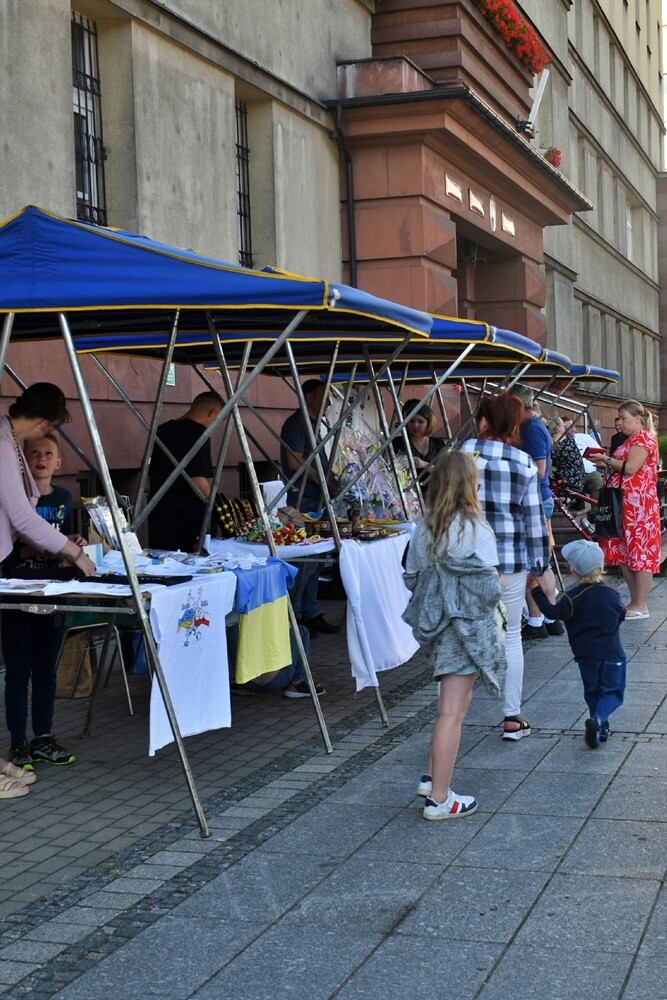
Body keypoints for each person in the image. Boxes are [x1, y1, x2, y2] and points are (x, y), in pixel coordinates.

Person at [402, 451, 506, 818]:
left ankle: (432, 778)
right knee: (451, 712)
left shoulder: (423, 528)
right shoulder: (476, 528)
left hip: (437, 627)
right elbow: (490, 585)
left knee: (454, 705)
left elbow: (411, 578)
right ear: (468, 484)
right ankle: (440, 800)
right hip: (467, 630)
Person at [0, 384, 96, 769]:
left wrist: (61, 543)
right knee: (19, 664)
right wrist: (73, 552)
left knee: (43, 664)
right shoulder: (5, 442)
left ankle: (41, 737)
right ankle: (19, 742)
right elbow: (22, 517)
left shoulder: (10, 442)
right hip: (11, 571)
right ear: (44, 422)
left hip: (22, 569)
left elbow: (22, 516)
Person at [459, 392, 550, 740]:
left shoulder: (459, 456)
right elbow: (533, 519)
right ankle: (512, 717)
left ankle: (450, 716)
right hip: (509, 561)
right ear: (513, 425)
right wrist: (540, 568)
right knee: (510, 635)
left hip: (463, 561)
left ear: (482, 421)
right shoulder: (523, 463)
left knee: (460, 633)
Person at [529, 539, 626, 747]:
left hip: (585, 656)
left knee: (593, 692)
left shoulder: (572, 597)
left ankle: (599, 727)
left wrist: (537, 591)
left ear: (573, 570)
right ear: (602, 566)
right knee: (613, 692)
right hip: (611, 653)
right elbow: (621, 614)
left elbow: (554, 613)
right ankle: (599, 720)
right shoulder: (612, 594)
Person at [589, 400, 661, 619]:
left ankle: (642, 604)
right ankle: (635, 602)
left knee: (639, 550)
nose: (619, 423)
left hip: (638, 504)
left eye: (623, 418)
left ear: (638, 418)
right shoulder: (632, 438)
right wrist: (607, 463)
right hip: (625, 502)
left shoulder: (643, 437)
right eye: (618, 419)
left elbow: (631, 468)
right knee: (625, 551)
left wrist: (607, 460)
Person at [280, 380, 339, 635]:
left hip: (317, 497)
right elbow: (294, 461)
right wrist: (321, 478)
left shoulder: (315, 425)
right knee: (305, 559)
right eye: (323, 396)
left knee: (317, 559)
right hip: (304, 498)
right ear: (309, 397)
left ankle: (309, 611)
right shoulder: (296, 423)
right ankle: (296, 614)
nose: (328, 402)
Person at [509, 385, 564, 640]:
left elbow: (539, 470)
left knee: (535, 565)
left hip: (535, 501)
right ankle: (548, 619)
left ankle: (538, 621)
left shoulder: (531, 428)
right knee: (540, 563)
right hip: (538, 500)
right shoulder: (534, 426)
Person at [147, 391, 223, 553]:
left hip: (159, 513)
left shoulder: (162, 429)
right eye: (217, 419)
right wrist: (216, 503)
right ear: (213, 412)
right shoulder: (199, 433)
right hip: (186, 518)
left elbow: (149, 477)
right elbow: (198, 481)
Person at [229, 623, 326, 698]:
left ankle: (237, 682)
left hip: (246, 681)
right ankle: (296, 683)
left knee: (233, 629)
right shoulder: (274, 607)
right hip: (276, 680)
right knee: (301, 630)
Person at [393, 398, 445, 488]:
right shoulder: (398, 442)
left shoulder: (438, 444)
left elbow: (446, 474)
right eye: (411, 421)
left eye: (420, 421)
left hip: (434, 494)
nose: (415, 425)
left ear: (429, 423)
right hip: (407, 495)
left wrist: (424, 464)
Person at [547, 416, 586, 494]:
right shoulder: (569, 439)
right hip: (578, 479)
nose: (564, 426)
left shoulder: (552, 446)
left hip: (566, 481)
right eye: (562, 425)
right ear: (558, 429)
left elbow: (548, 465)